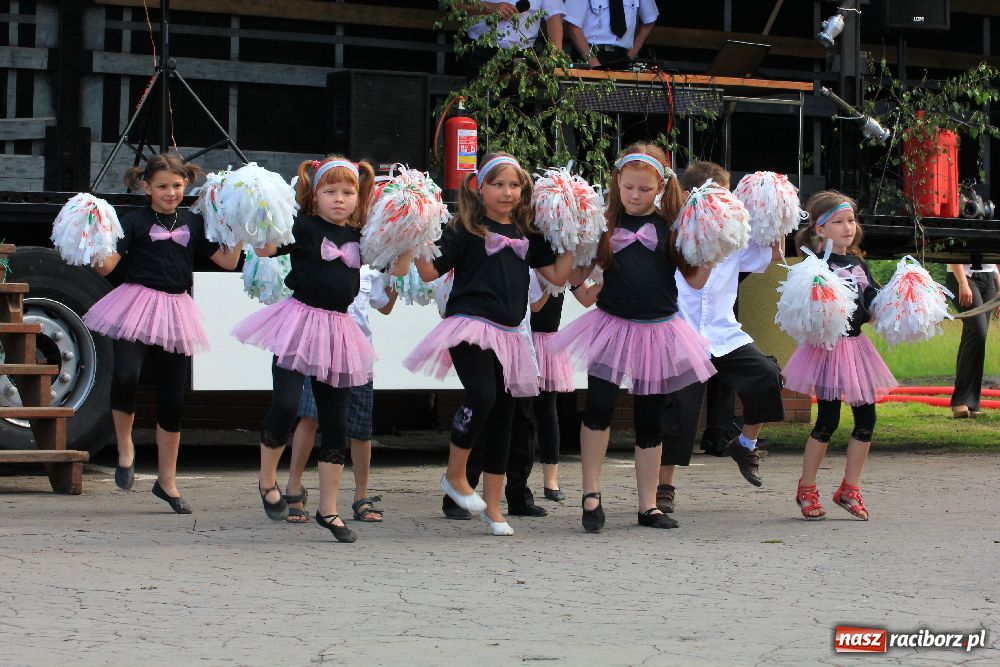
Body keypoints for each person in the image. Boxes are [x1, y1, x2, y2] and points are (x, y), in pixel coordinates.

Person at [406, 152, 574, 536]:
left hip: (512, 335)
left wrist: (571, 236)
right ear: (479, 188)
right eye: (498, 184)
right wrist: (411, 236)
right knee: (482, 396)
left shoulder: (528, 232)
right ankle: (455, 475)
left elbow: (558, 275)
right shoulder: (466, 228)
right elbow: (431, 270)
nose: (507, 192)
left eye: (514, 185)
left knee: (504, 417)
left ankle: (494, 507)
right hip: (469, 326)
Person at [553, 143, 716, 532]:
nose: (635, 196)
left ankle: (648, 506)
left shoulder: (672, 226)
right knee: (600, 406)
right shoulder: (603, 224)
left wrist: (710, 249)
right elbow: (573, 277)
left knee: (650, 416)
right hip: (611, 326)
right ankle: (591, 494)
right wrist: (575, 256)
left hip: (658, 331)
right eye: (628, 188)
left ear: (661, 186)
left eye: (644, 189)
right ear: (617, 183)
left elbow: (694, 281)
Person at [233, 156, 386, 543]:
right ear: (314, 196)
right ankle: (268, 480)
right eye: (330, 191)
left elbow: (396, 268)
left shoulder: (362, 237)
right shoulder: (302, 227)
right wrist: (260, 212)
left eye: (347, 192)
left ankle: (328, 509)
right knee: (286, 403)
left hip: (339, 331)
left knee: (335, 425)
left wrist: (409, 236)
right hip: (299, 323)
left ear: (358, 197)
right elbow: (267, 250)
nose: (339, 199)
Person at [85, 153, 243, 513]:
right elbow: (109, 265)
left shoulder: (194, 222)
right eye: (162, 187)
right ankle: (125, 448)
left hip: (175, 309)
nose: (170, 192)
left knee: (172, 397)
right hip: (136, 305)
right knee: (126, 374)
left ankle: (167, 482)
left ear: (185, 184)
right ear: (146, 187)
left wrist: (240, 229)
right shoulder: (136, 221)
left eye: (176, 185)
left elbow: (228, 262)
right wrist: (94, 236)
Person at [657, 162, 786, 516]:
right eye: (714, 195)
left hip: (723, 334)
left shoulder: (734, 237)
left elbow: (773, 254)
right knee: (677, 410)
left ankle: (745, 444)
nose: (721, 203)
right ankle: (664, 485)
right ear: (690, 197)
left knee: (766, 375)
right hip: (681, 335)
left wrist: (776, 215)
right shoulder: (674, 234)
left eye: (726, 196)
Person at [783, 192, 898, 521]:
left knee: (867, 420)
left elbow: (871, 301)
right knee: (828, 420)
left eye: (851, 220)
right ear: (820, 229)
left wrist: (895, 299)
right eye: (838, 222)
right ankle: (806, 488)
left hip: (857, 349)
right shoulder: (815, 266)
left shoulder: (859, 263)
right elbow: (804, 308)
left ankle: (850, 488)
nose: (848, 227)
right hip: (829, 351)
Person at [283, 266, 398, 524]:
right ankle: (294, 488)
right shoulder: (329, 256)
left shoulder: (370, 266)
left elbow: (386, 306)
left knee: (360, 429)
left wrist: (398, 272)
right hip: (323, 352)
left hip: (359, 356)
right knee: (310, 418)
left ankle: (361, 496)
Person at [946, 262, 999, 418]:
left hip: (989, 277)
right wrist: (962, 283)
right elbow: (953, 251)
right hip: (963, 276)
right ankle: (960, 401)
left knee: (975, 338)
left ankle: (971, 403)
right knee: (978, 332)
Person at [462, 1, 567, 79]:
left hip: (522, 55)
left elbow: (554, 17)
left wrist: (555, 57)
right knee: (479, 102)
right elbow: (456, 4)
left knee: (519, 103)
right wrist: (490, 7)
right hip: (481, 51)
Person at [563, 0, 658, 67]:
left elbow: (650, 17)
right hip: (589, 53)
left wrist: (633, 51)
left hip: (622, 57)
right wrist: (592, 60)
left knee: (620, 95)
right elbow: (572, 25)